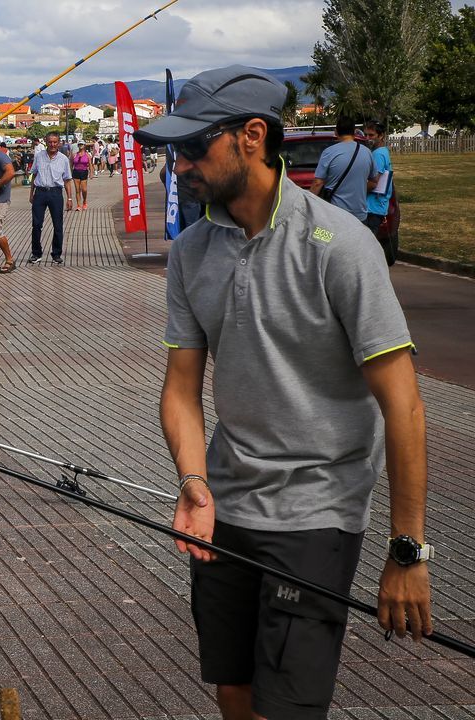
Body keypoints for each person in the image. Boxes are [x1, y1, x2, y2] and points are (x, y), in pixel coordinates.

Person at [135, 65, 432, 720]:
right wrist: (193, 480)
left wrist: (407, 548)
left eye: (192, 146)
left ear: (250, 137)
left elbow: (404, 405)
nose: (177, 163)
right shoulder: (190, 253)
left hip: (317, 513)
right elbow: (180, 390)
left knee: (283, 710)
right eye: (173, 148)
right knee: (235, 695)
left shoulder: (341, 247)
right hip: (225, 506)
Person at [311, 115, 377, 225]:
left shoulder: (329, 152)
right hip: (360, 215)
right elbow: (374, 182)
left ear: (336, 132)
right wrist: (357, 190)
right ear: (355, 132)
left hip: (335, 215)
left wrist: (309, 203)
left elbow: (318, 183)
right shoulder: (367, 152)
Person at [28, 133, 72, 265]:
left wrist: (70, 198)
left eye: (55, 142)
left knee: (58, 225)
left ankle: (56, 253)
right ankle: (36, 253)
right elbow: (34, 175)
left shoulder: (63, 159)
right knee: (36, 225)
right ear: (46, 142)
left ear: (59, 143)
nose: (52, 145)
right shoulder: (39, 156)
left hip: (56, 193)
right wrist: (31, 193)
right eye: (50, 142)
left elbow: (67, 180)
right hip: (40, 192)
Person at [363, 119, 395, 263]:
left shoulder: (378, 155)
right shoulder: (382, 152)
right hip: (376, 206)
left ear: (381, 136)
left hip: (373, 206)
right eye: (366, 135)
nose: (368, 139)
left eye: (371, 135)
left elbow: (374, 182)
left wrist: (355, 190)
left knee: (368, 244)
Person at [69, 139, 91, 210]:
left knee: (84, 189)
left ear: (84, 146)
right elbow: (71, 164)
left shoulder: (87, 155)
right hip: (76, 172)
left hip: (84, 172)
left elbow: (90, 164)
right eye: (79, 144)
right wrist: (70, 173)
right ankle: (78, 205)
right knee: (77, 190)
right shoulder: (75, 154)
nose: (80, 146)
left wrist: (91, 173)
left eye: (82, 144)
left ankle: (84, 201)